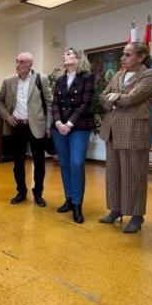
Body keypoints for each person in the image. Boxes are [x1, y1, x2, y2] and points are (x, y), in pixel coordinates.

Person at [99, 42, 152, 233]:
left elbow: (133, 98)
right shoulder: (117, 75)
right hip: (113, 130)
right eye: (123, 54)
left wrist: (116, 98)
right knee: (113, 173)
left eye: (128, 55)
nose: (122, 58)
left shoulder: (148, 75)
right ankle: (116, 209)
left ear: (140, 57)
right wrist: (114, 98)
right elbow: (103, 97)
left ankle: (136, 215)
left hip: (134, 131)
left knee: (134, 175)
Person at [0, 52, 52, 207]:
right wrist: (7, 116)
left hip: (36, 126)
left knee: (39, 162)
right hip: (16, 126)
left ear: (30, 64)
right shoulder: (8, 81)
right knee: (18, 162)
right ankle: (21, 191)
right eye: (17, 61)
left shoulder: (41, 79)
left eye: (22, 62)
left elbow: (49, 103)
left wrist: (48, 125)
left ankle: (38, 193)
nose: (18, 65)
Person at [51, 47, 96, 223]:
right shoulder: (60, 80)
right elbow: (54, 104)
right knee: (64, 164)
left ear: (78, 58)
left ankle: (78, 204)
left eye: (68, 54)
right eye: (64, 54)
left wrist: (69, 124)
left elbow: (86, 103)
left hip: (79, 127)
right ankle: (68, 199)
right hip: (59, 127)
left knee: (76, 164)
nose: (64, 56)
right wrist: (57, 123)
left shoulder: (87, 77)